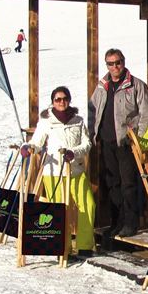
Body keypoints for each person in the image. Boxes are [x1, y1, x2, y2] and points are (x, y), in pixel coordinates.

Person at [21, 86, 96, 257]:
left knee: (88, 205)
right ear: (53, 101)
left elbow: (87, 144)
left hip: (76, 170)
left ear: (69, 100)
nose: (61, 102)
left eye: (64, 99)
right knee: (61, 209)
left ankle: (84, 245)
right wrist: (28, 147)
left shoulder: (78, 120)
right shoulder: (47, 121)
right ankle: (63, 247)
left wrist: (73, 152)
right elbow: (37, 142)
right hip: (54, 171)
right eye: (57, 99)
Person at [88, 48, 148, 238]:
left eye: (118, 63)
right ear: (106, 65)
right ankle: (116, 222)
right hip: (107, 142)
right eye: (110, 63)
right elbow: (93, 111)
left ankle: (130, 224)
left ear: (123, 62)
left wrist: (138, 139)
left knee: (128, 184)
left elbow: (145, 115)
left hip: (126, 142)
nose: (115, 67)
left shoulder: (136, 85)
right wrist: (92, 134)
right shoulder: (101, 86)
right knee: (112, 184)